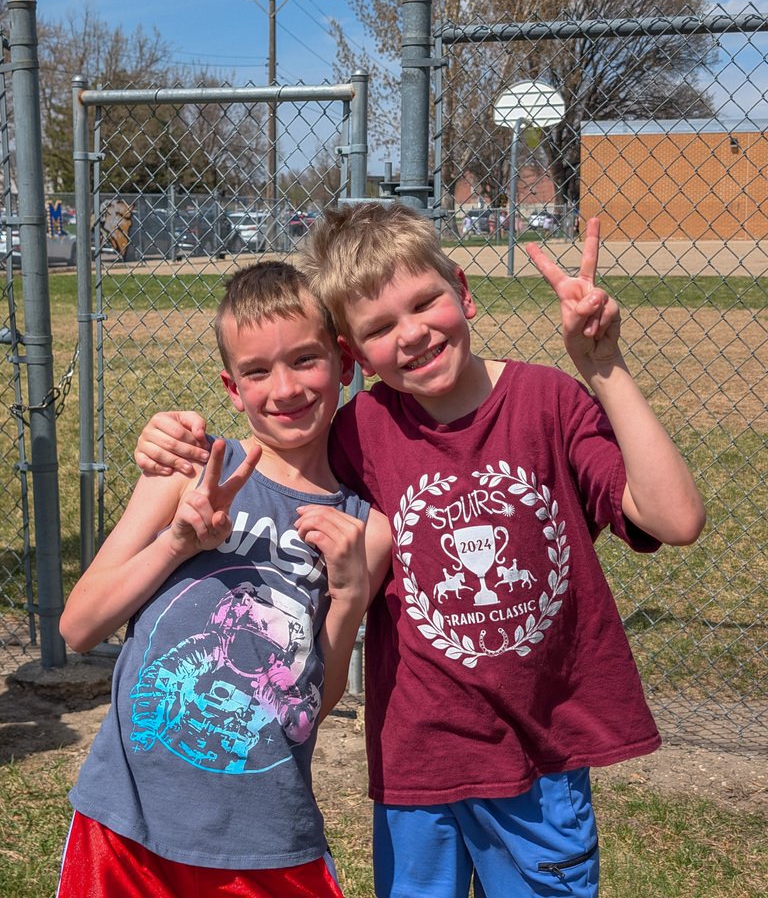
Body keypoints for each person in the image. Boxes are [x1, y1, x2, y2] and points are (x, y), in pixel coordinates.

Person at [135, 204, 705, 898]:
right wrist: (170, 439)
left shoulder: (547, 402)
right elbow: (276, 444)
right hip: (419, 764)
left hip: (542, 760)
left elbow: (675, 519)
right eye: (377, 328)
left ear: (462, 291)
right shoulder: (363, 430)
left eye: (425, 303)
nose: (410, 335)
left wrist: (604, 366)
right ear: (354, 355)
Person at [58, 261, 391, 898]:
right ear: (231, 387)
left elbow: (306, 712)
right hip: (128, 826)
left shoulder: (364, 530)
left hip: (267, 836)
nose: (285, 387)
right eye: (258, 371)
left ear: (344, 362)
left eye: (304, 360)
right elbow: (80, 626)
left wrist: (348, 595)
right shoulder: (188, 469)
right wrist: (180, 542)